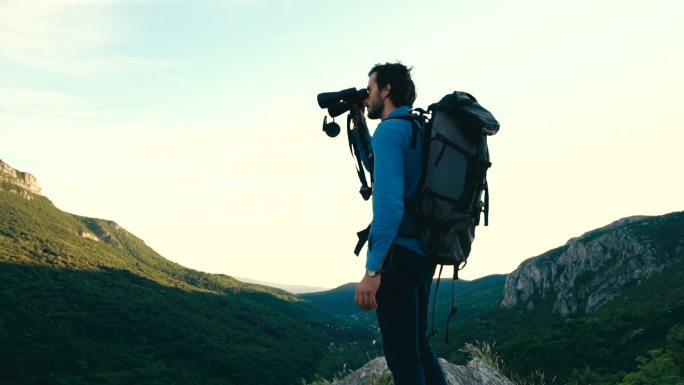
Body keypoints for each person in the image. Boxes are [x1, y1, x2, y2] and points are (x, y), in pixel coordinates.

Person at [351, 62, 448, 385]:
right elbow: (384, 169)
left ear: (386, 89)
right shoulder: (417, 128)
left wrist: (373, 270)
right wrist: (360, 127)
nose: (367, 97)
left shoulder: (391, 131)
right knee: (418, 347)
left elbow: (389, 206)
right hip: (423, 251)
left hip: (399, 257)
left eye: (370, 89)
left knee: (403, 358)